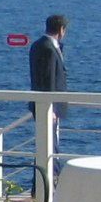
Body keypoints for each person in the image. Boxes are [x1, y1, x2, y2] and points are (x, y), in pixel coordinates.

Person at [28, 13, 68, 152]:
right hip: (48, 106)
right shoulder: (48, 48)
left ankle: (48, 166)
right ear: (61, 29)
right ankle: (51, 167)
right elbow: (47, 79)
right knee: (50, 145)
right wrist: (51, 107)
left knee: (47, 144)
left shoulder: (38, 45)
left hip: (44, 104)